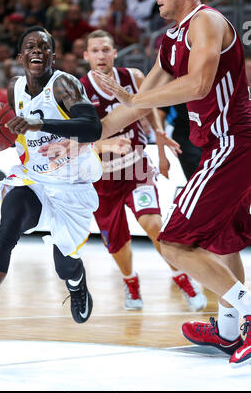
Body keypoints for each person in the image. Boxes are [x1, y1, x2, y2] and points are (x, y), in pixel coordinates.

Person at [93, 0, 251, 368]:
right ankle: (231, 330)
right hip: (219, 146)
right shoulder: (170, 40)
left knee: (176, 242)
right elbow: (131, 109)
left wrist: (139, 98)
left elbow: (198, 83)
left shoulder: (207, 22)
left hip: (233, 141)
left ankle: (248, 314)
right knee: (224, 241)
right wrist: (86, 134)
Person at [0, 25, 103, 349]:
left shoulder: (64, 84)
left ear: (54, 54)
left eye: (44, 46)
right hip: (32, 180)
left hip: (71, 191)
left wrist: (42, 123)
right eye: (30, 46)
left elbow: (92, 127)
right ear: (20, 56)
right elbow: (7, 127)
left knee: (65, 264)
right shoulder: (14, 88)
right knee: (8, 227)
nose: (37, 50)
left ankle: (77, 283)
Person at [78, 28, 207, 311]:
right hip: (101, 179)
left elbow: (150, 107)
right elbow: (79, 138)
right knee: (117, 244)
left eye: (105, 49)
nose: (101, 55)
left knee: (153, 225)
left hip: (136, 168)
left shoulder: (133, 77)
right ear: (86, 56)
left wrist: (159, 139)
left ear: (114, 52)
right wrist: (108, 144)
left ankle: (182, 278)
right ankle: (131, 283)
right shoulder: (80, 90)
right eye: (95, 51)